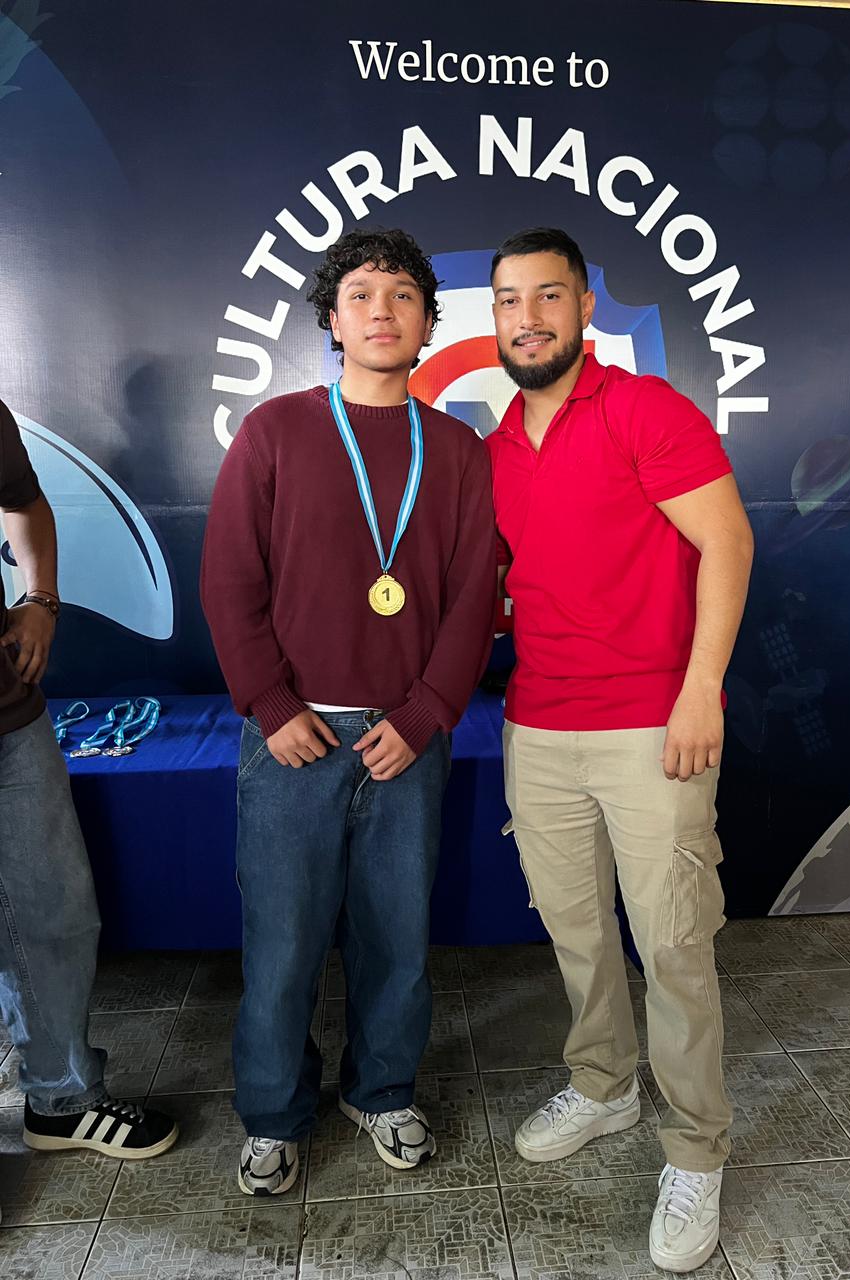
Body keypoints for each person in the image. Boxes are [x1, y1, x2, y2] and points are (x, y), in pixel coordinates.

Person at [201, 228, 496, 1197]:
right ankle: (273, 1112)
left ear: (427, 322)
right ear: (332, 319)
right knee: (282, 944)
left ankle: (383, 1089)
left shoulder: (457, 450)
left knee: (397, 936)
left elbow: (473, 598)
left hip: (407, 739)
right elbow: (229, 581)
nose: (382, 310)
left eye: (403, 294)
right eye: (362, 293)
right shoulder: (274, 432)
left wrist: (426, 713)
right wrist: (271, 703)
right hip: (294, 738)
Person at [485, 228, 754, 1273]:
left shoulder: (645, 409)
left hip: (653, 724)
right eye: (510, 300)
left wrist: (700, 690)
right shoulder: (497, 444)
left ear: (586, 306)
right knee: (577, 933)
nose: (528, 318)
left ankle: (697, 1150)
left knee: (674, 943)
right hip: (538, 727)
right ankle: (603, 1086)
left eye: (548, 296)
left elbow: (727, 539)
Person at [0, 397, 178, 1181]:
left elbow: (23, 500)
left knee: (56, 909)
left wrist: (40, 600)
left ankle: (61, 1099)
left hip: (10, 713)